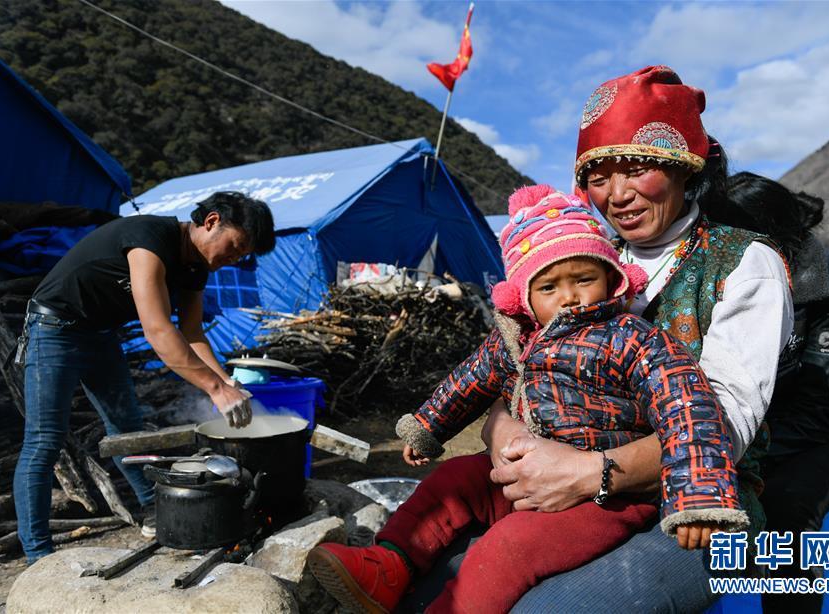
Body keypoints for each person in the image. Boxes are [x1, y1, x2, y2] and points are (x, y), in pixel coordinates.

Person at [400, 65, 795, 612]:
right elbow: (516, 361)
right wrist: (505, 431)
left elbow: (725, 424)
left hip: (697, 506)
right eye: (599, 177)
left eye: (637, 170)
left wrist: (588, 473)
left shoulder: (744, 263)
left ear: (685, 167)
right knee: (433, 580)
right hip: (558, 481)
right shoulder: (578, 252)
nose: (618, 194)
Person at [306, 185, 748, 614]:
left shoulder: (631, 338)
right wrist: (427, 426)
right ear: (525, 297)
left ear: (611, 279)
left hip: (604, 499)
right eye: (549, 287)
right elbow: (469, 381)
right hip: (525, 472)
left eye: (584, 278)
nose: (569, 296)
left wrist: (698, 496)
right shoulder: (517, 339)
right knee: (452, 480)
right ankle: (388, 565)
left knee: (508, 548)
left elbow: (687, 407)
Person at [13, 191, 275, 564]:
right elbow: (157, 329)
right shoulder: (149, 238)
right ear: (212, 221)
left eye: (241, 256)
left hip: (100, 334)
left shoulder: (195, 268)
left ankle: (154, 512)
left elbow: (192, 334)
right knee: (45, 442)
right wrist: (214, 388)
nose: (233, 259)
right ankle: (38, 555)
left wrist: (227, 382)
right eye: (234, 247)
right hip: (55, 327)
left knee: (127, 430)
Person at [718, 172, 829, 613]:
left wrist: (739, 453)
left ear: (771, 238)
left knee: (785, 514)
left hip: (818, 435)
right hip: (735, 432)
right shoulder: (715, 277)